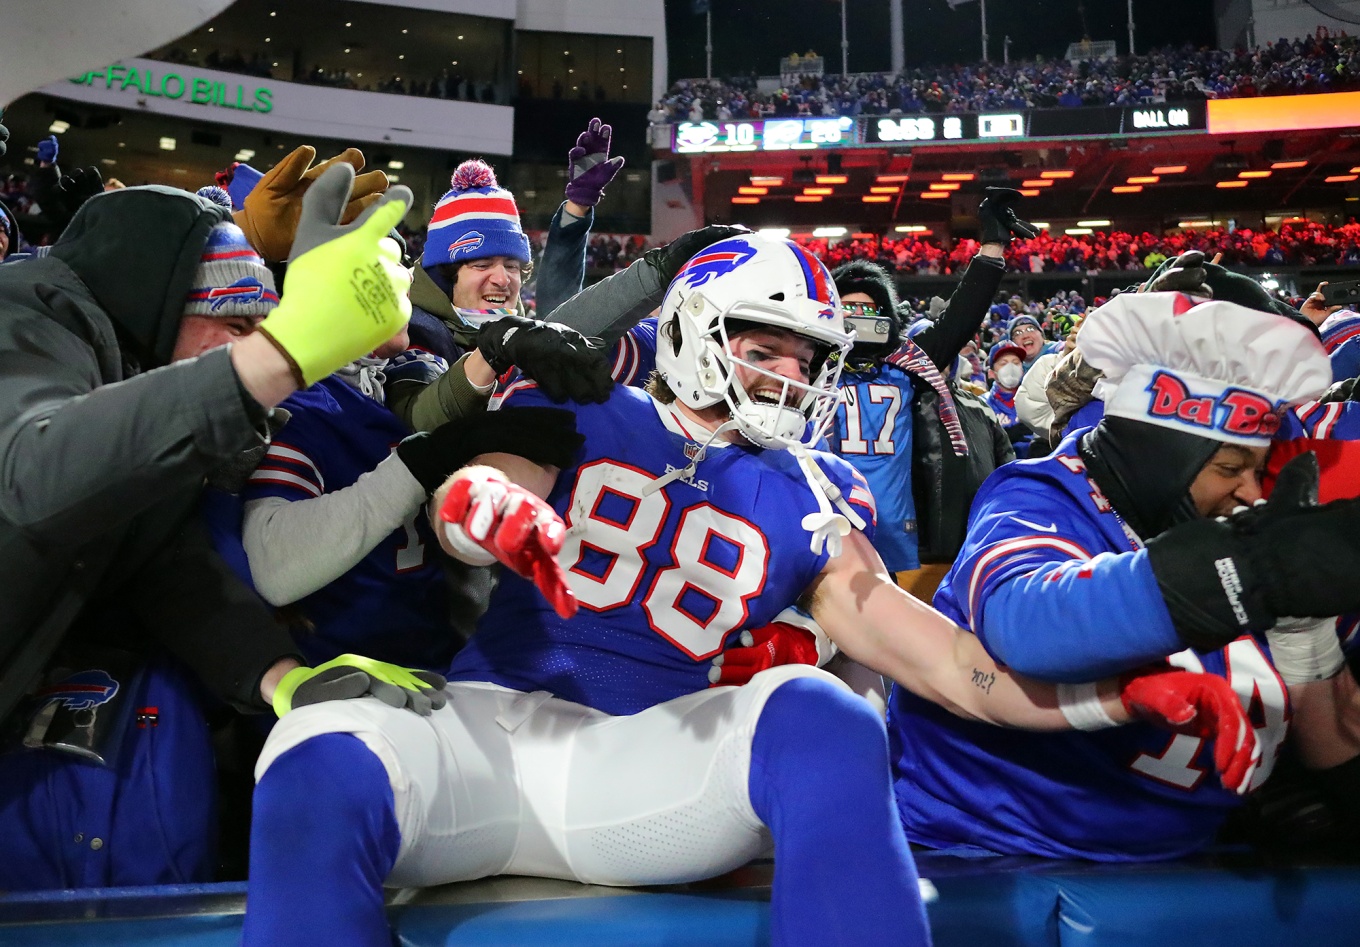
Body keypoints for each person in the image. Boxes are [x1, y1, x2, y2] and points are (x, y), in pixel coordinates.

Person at [242, 236, 1258, 946]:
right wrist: (488, 509)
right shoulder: (587, 404)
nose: (782, 373)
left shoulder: (818, 489)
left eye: (803, 356)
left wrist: (1108, 695)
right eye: (759, 345)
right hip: (489, 729)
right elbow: (487, 487)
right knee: (313, 756)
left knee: (822, 714)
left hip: (644, 762)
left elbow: (950, 663)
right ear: (691, 324)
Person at [0, 164, 449, 890]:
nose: (246, 343)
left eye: (260, 328)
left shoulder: (129, 356)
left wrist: (284, 680)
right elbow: (34, 470)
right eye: (237, 324)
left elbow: (161, 560)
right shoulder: (22, 315)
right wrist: (275, 358)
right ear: (164, 297)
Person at [889, 291, 1360, 861]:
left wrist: (1305, 645)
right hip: (997, 857)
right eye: (1230, 468)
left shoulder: (1243, 527)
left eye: (1256, 470)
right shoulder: (1043, 495)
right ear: (1165, 456)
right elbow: (1027, 625)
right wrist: (1244, 572)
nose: (1252, 492)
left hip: (1190, 868)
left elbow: (1332, 746)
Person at [830, 187, 1032, 587]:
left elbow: (961, 317)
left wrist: (991, 246)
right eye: (847, 309)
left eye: (868, 310)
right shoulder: (810, 367)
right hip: (823, 524)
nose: (858, 319)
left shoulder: (906, 362)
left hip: (890, 529)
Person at [984, 340, 1033, 455]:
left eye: (1016, 363)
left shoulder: (1037, 399)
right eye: (1003, 363)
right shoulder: (982, 405)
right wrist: (1006, 435)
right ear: (991, 373)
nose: (1010, 368)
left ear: (1022, 370)